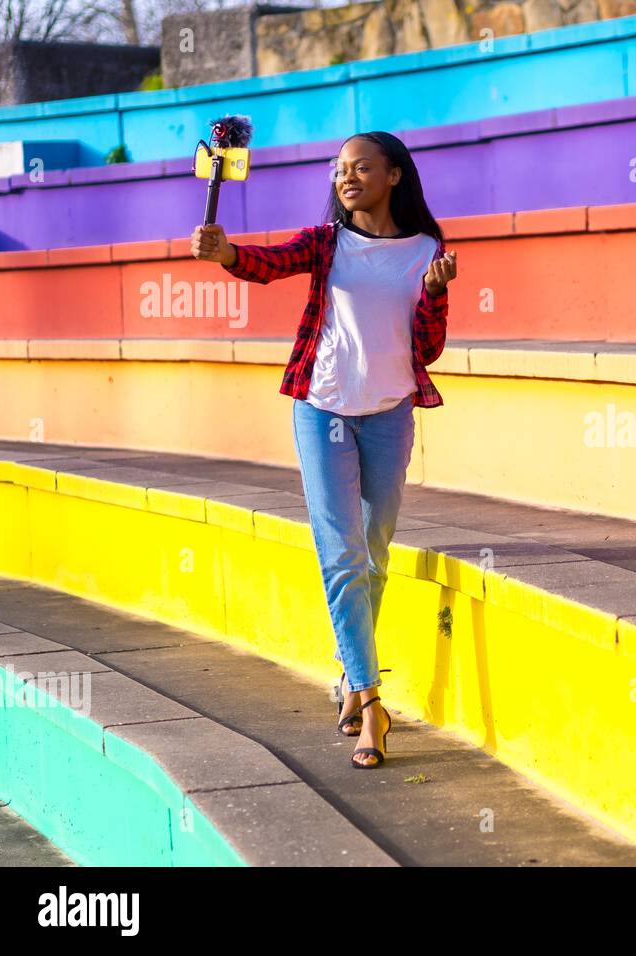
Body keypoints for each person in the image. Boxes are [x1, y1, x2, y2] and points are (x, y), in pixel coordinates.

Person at [191, 130, 457, 769]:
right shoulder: (327, 241)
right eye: (339, 169)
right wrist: (226, 251)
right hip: (322, 408)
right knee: (341, 556)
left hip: (390, 414)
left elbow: (428, 347)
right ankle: (371, 704)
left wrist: (438, 290)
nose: (346, 177)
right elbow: (268, 262)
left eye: (361, 167)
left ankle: (346, 672)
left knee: (373, 553)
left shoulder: (427, 250)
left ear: (393, 175)